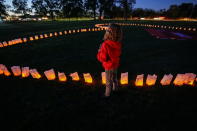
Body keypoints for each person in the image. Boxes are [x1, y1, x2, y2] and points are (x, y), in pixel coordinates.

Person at [97, 23, 123, 98]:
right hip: (115, 64)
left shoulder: (105, 45)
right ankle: (116, 89)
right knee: (114, 78)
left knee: (108, 81)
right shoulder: (118, 43)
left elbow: (103, 58)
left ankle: (107, 94)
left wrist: (99, 51)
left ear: (108, 33)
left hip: (108, 66)